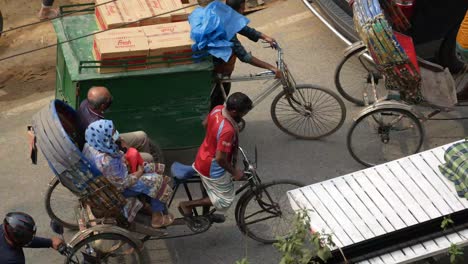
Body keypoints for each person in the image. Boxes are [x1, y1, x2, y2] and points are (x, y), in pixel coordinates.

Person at [83, 119, 174, 228]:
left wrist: (124, 155)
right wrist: (139, 172)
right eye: (112, 134)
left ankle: (149, 204)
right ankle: (157, 218)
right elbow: (123, 183)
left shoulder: (91, 146)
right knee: (157, 180)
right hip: (118, 190)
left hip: (109, 181)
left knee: (150, 168)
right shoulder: (106, 161)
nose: (116, 135)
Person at [178, 92, 253, 216]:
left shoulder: (218, 109)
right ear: (234, 112)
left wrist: (213, 138)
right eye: (243, 113)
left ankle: (206, 214)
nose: (244, 115)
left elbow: (205, 124)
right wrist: (235, 172)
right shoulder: (227, 130)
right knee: (224, 200)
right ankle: (186, 205)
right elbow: (220, 159)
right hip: (212, 167)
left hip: (202, 156)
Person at [209, 0, 281, 110]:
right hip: (218, 70)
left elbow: (244, 29)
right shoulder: (226, 30)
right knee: (216, 103)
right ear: (239, 9)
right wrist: (271, 67)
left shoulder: (225, 14)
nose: (244, 10)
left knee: (223, 94)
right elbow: (244, 56)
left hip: (222, 68)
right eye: (243, 8)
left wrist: (265, 37)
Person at [77, 86, 161, 163]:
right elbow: (115, 146)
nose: (110, 98)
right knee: (149, 158)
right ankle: (142, 168)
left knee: (142, 136)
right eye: (108, 99)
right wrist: (127, 150)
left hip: (105, 141)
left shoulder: (85, 103)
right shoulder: (95, 125)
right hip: (106, 153)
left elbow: (114, 137)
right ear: (102, 106)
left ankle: (138, 164)